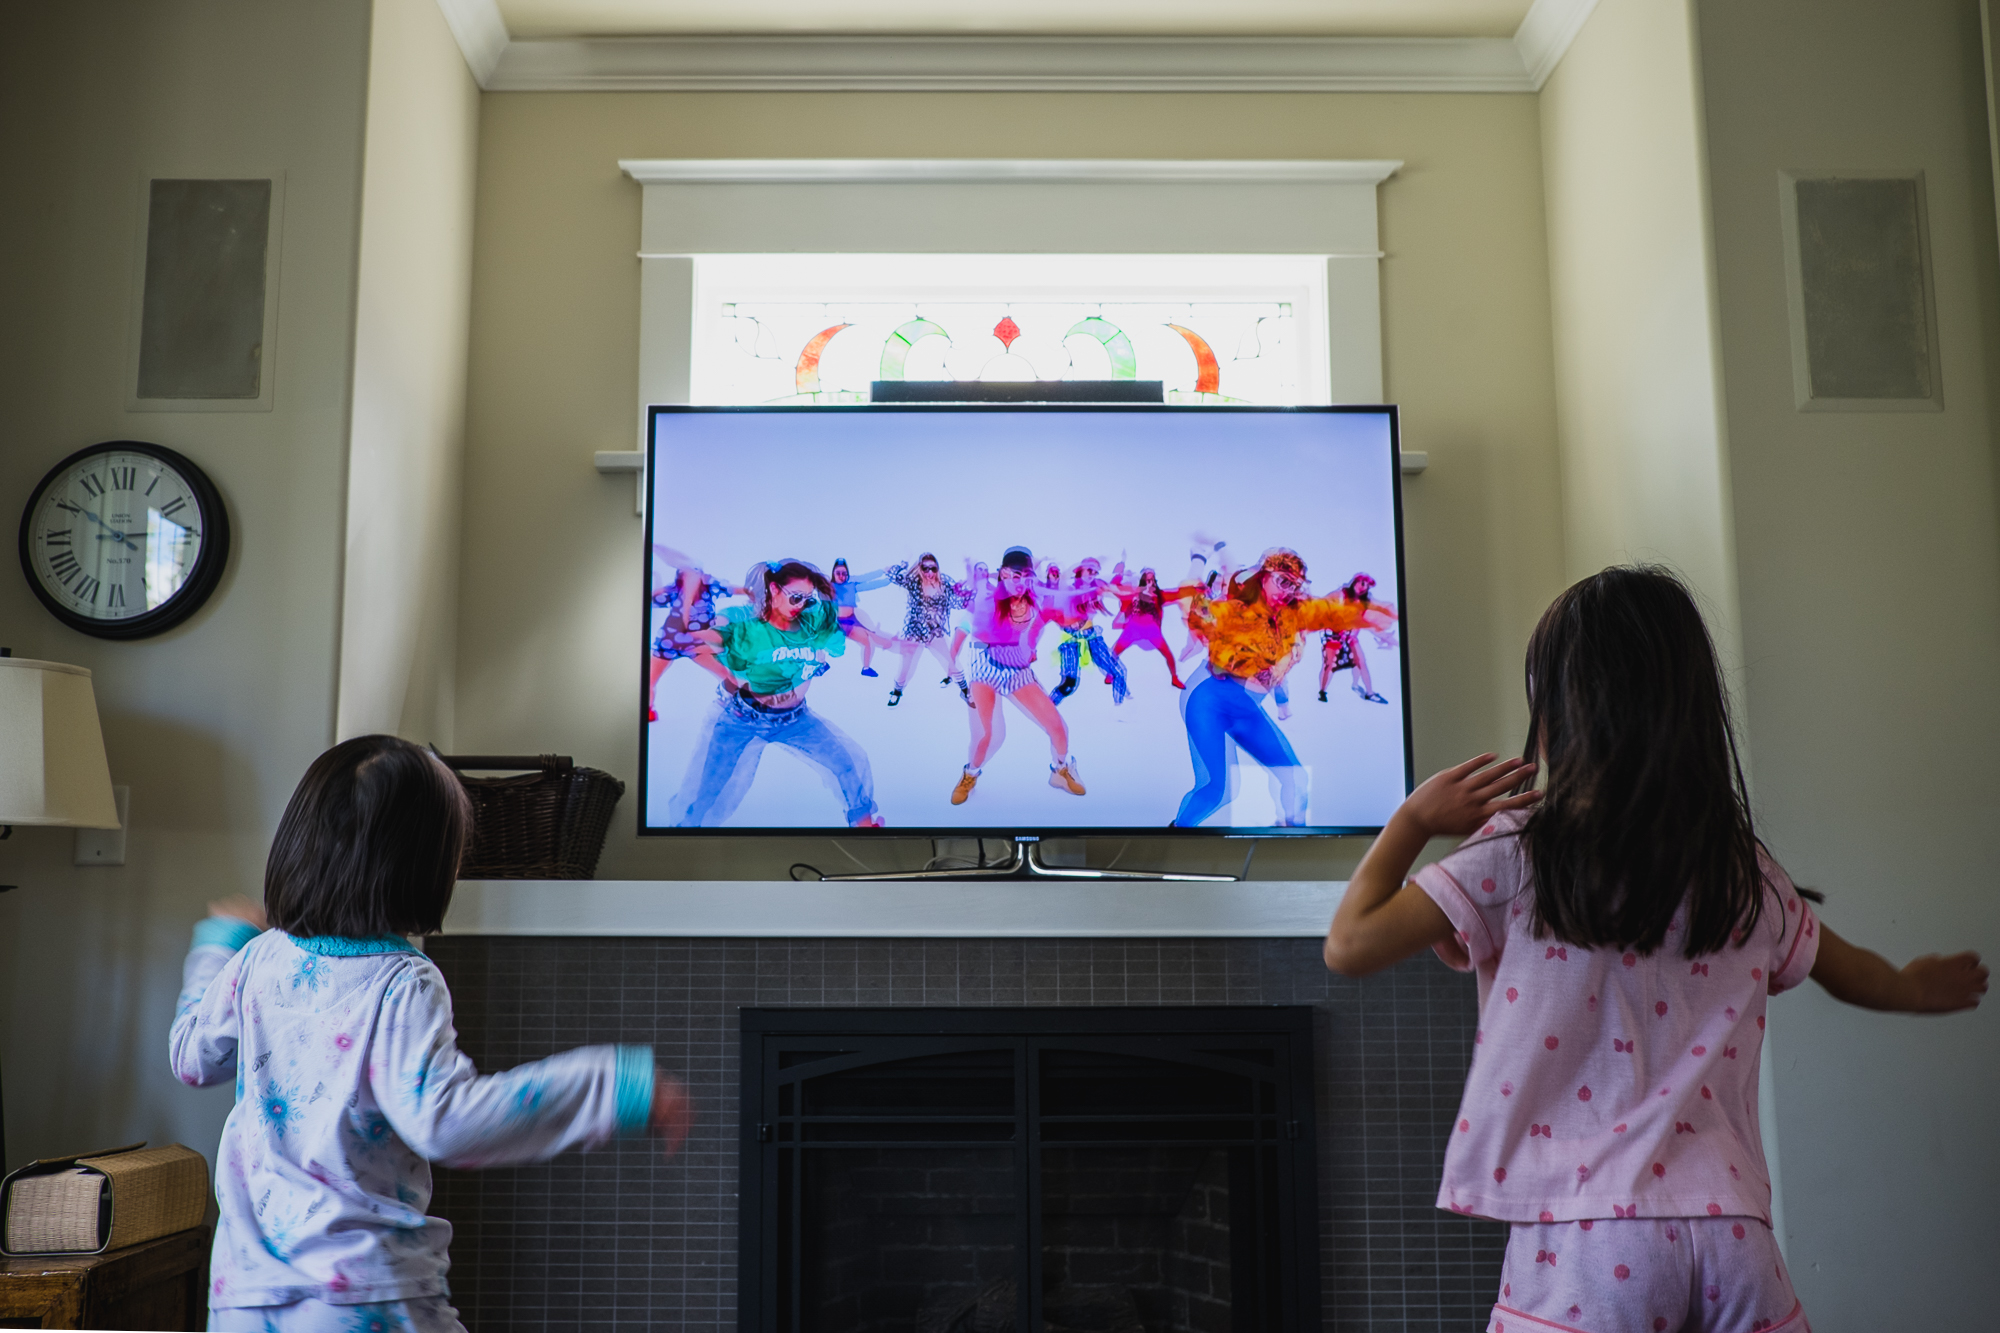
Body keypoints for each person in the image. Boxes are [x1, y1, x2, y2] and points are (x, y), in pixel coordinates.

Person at [1321, 567, 1987, 1333]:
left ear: (1557, 713)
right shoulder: (1736, 865)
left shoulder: (1518, 853)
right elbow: (1851, 972)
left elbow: (1351, 943)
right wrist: (1909, 984)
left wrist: (1411, 819)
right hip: (1734, 1231)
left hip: (1587, 1239)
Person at [171, 736, 693, 1333]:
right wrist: (615, 1085)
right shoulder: (401, 982)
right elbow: (445, 1121)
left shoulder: (257, 961)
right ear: (424, 866)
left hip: (243, 1297)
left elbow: (192, 1057)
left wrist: (219, 944)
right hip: (365, 1294)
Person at [1171, 543, 1392, 828]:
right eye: (1283, 581)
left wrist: (1371, 614)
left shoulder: (1290, 616)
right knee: (1218, 790)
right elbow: (1216, 596)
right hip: (1208, 698)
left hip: (1245, 706)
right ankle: (1171, 843)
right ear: (1264, 576)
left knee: (1296, 778)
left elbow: (1323, 617)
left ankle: (1292, 840)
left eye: (1294, 585)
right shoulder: (1240, 605)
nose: (1288, 590)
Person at [673, 559, 884, 827]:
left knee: (849, 760)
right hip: (741, 719)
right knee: (712, 790)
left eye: (807, 600)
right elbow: (707, 638)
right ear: (774, 589)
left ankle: (864, 827)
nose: (801, 606)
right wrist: (719, 665)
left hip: (795, 719)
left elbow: (839, 630)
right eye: (795, 597)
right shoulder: (746, 624)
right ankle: (686, 832)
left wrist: (876, 637)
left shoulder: (810, 623)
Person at [952, 546, 1086, 805]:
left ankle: (1061, 770)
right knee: (988, 735)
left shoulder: (1035, 598)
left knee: (1059, 728)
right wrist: (953, 654)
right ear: (1002, 574)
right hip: (986, 664)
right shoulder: (988, 599)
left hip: (1016, 668)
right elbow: (970, 626)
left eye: (1025, 575)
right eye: (1014, 575)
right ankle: (969, 775)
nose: (1019, 582)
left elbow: (1053, 615)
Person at [646, 544, 737, 722]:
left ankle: (741, 706)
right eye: (689, 574)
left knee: (725, 672)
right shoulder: (675, 592)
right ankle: (647, 709)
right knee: (649, 679)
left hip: (696, 644)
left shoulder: (710, 587)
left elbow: (735, 589)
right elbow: (651, 599)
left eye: (696, 574)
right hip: (669, 643)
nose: (693, 579)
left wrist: (754, 594)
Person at [882, 553, 971, 707]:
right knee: (905, 665)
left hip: (935, 631)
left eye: (933, 568)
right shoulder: (914, 582)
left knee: (952, 660)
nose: (930, 573)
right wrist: (903, 563)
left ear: (937, 568)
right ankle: (896, 692)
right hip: (914, 631)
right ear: (920, 569)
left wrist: (966, 594)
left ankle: (965, 690)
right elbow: (891, 574)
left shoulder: (945, 583)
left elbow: (957, 603)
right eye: (925, 568)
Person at [1047, 556, 1130, 707]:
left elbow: (1114, 579)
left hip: (1092, 638)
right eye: (1089, 570)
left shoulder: (1095, 589)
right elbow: (1052, 592)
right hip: (1070, 640)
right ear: (1080, 571)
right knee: (1069, 685)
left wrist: (1122, 564)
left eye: (1095, 572)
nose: (1092, 574)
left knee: (1120, 672)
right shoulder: (1068, 589)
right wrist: (1052, 573)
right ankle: (1046, 709)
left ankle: (1121, 707)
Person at [1317, 572, 1398, 705]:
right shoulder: (1340, 595)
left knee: (1361, 662)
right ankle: (1322, 691)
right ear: (1354, 582)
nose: (1363, 587)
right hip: (1333, 635)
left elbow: (1373, 612)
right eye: (1361, 583)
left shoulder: (1366, 601)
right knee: (1329, 665)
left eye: (1366, 585)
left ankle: (1369, 693)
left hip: (1350, 637)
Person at [1110, 568, 1186, 690]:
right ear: (1143, 580)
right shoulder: (1134, 594)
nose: (1151, 582)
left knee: (1168, 654)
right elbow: (1115, 589)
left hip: (1152, 631)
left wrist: (1196, 590)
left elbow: (1177, 593)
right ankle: (1110, 673)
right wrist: (1119, 574)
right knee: (1116, 651)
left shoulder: (1159, 595)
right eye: (1148, 579)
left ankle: (1174, 678)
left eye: (1152, 579)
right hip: (1134, 629)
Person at [829, 557, 891, 677]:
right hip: (839, 623)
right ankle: (821, 663)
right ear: (833, 574)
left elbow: (870, 583)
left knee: (868, 641)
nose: (841, 576)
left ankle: (866, 668)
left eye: (844, 573)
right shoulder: (828, 587)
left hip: (852, 620)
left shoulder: (852, 585)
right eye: (838, 573)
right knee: (819, 638)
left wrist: (888, 578)